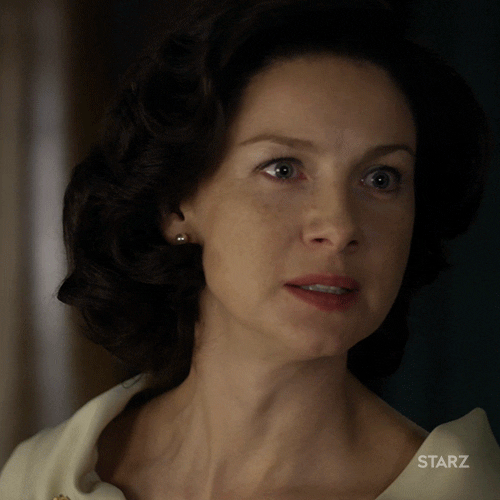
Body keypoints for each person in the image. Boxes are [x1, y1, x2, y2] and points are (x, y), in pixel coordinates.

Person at [1, 0, 499, 498]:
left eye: (381, 178)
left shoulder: (459, 485)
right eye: (283, 169)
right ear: (175, 204)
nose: (340, 226)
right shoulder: (42, 477)